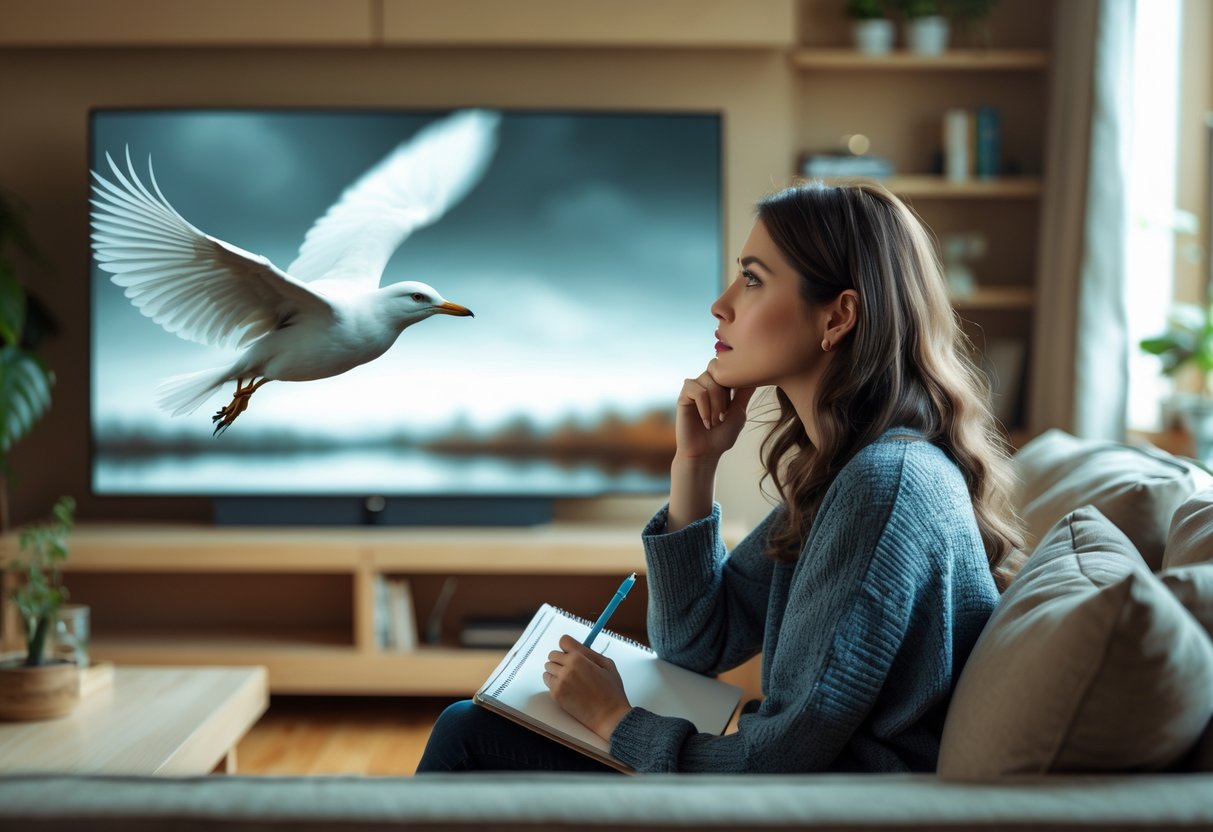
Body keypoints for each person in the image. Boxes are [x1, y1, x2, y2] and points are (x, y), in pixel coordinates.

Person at [415, 180, 1025, 774]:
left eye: (754, 279)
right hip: (807, 793)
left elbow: (779, 759)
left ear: (838, 317)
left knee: (467, 732)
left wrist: (615, 721)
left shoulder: (882, 485)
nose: (721, 303)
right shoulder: (848, 472)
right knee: (476, 725)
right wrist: (696, 465)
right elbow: (697, 645)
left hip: (834, 815)